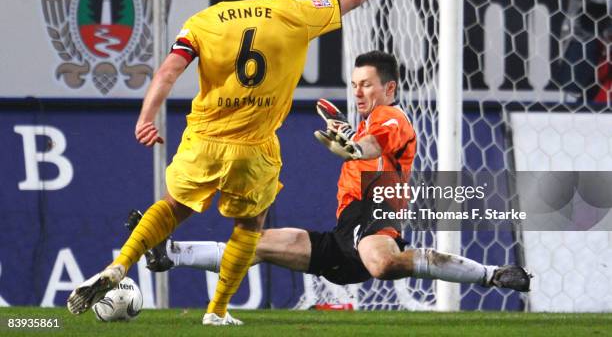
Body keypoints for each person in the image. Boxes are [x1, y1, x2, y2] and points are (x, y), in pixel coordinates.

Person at [67, 0, 404, 326]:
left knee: (173, 205)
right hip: (254, 149)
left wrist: (147, 117)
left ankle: (118, 265)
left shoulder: (201, 22)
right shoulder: (292, 13)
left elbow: (166, 73)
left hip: (205, 141)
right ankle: (217, 311)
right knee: (249, 227)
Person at [130, 51, 531, 296]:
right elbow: (362, 142)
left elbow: (373, 146)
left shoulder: (390, 116)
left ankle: (492, 274)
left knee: (380, 261)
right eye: (355, 85)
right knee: (253, 243)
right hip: (347, 232)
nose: (359, 92)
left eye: (368, 85)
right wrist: (351, 139)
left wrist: (355, 147)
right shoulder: (363, 123)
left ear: (389, 88)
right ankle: (169, 254)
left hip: (376, 211)